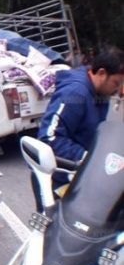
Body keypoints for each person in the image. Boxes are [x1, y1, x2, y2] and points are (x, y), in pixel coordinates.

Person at [36, 46, 124, 195]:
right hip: (57, 178)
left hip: (81, 175)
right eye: (116, 83)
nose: (117, 90)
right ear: (102, 73)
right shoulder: (74, 93)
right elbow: (49, 138)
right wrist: (85, 157)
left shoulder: (100, 94)